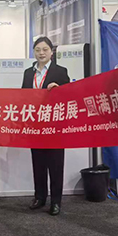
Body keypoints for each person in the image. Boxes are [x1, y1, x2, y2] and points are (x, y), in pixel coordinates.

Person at [22, 37, 70, 216]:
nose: (41, 53)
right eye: (37, 50)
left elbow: (70, 95)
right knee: (38, 163)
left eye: (45, 49)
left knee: (56, 165)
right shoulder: (28, 73)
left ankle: (56, 201)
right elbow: (22, 96)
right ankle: (39, 197)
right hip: (35, 126)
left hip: (54, 126)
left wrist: (59, 89)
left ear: (51, 52)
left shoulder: (60, 71)